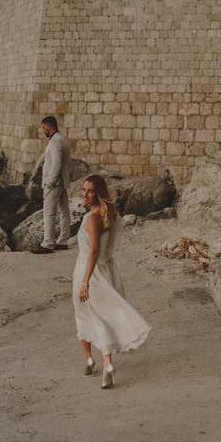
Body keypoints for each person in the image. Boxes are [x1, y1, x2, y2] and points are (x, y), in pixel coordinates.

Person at [73, 174, 151, 389]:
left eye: (89, 191)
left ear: (98, 193)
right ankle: (101, 363)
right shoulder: (111, 215)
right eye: (83, 190)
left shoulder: (93, 218)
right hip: (108, 269)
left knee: (85, 315)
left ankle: (94, 360)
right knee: (102, 316)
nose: (85, 194)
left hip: (89, 272)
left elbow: (94, 251)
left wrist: (85, 282)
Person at [31, 116, 72, 254]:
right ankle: (63, 241)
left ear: (48, 127)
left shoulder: (55, 142)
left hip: (54, 184)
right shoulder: (62, 139)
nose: (43, 131)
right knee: (64, 212)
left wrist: (50, 182)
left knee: (49, 213)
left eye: (43, 128)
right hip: (63, 182)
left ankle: (48, 243)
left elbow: (57, 163)